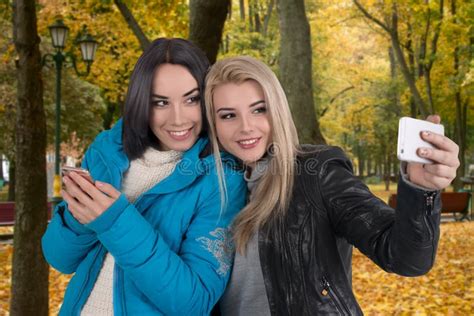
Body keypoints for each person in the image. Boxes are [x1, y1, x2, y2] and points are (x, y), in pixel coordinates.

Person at [204, 56, 460, 315]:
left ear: (278, 110)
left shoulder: (317, 174)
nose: (246, 127)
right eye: (228, 115)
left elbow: (407, 258)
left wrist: (420, 189)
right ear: (214, 124)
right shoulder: (208, 190)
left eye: (259, 109)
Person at [42, 38, 247, 315]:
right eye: (161, 102)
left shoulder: (221, 179)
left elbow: (194, 301)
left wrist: (113, 220)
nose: (178, 119)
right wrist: (77, 219)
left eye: (191, 99)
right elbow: (60, 259)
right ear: (141, 103)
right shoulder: (106, 151)